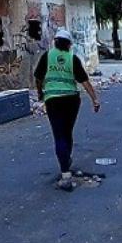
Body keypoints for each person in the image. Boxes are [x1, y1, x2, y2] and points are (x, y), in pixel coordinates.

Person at [34, 29, 101, 191]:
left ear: (55, 41)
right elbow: (85, 82)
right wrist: (95, 99)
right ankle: (67, 159)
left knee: (58, 134)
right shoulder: (73, 58)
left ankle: (65, 171)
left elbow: (38, 77)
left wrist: (40, 93)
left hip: (53, 100)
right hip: (71, 100)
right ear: (69, 44)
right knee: (67, 131)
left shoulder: (47, 56)